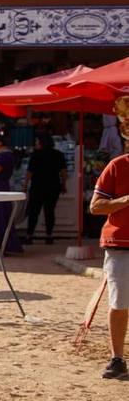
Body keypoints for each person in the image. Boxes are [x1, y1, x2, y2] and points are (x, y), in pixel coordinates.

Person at [88, 99, 129, 379]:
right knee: (119, 302)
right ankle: (117, 358)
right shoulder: (117, 166)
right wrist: (126, 200)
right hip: (120, 244)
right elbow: (95, 206)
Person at [25, 132, 67, 245]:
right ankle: (49, 235)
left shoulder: (36, 155)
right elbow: (63, 172)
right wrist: (64, 185)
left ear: (41, 142)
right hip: (53, 186)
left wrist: (24, 186)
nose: (36, 144)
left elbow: (29, 172)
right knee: (49, 211)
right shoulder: (58, 154)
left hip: (37, 186)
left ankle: (29, 235)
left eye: (37, 141)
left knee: (34, 212)